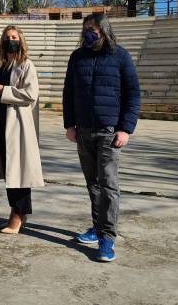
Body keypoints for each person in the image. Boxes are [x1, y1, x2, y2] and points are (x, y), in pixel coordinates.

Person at [63, 13, 140, 262]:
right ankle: (97, 228)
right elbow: (68, 92)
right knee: (93, 184)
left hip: (109, 131)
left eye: (93, 29)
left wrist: (126, 128)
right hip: (83, 130)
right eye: (85, 28)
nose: (88, 32)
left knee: (108, 185)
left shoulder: (120, 56)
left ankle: (107, 237)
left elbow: (133, 94)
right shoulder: (77, 57)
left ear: (104, 31)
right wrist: (70, 125)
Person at [0, 25, 44, 234]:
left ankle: (17, 216)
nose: (10, 40)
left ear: (21, 41)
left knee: (19, 172)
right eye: (7, 37)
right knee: (10, 171)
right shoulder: (1, 66)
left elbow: (30, 94)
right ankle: (19, 212)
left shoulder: (26, 65)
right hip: (1, 123)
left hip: (18, 125)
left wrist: (5, 90)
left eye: (14, 37)